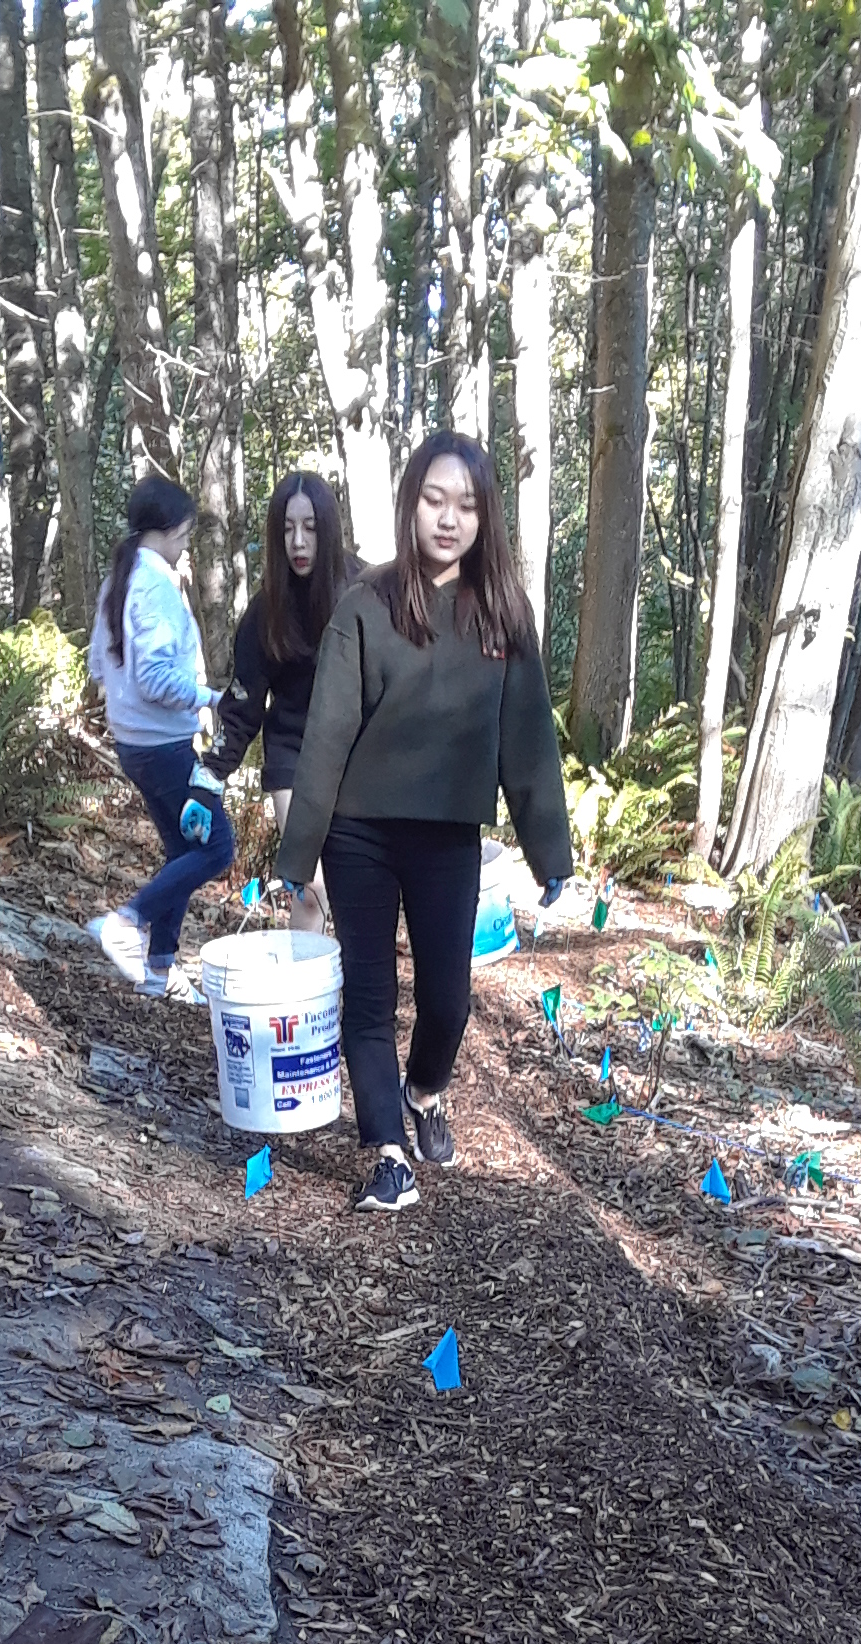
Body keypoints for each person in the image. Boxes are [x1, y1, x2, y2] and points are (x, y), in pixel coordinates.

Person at [273, 431, 571, 1212]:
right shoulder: (365, 605)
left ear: (484, 517)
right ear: (411, 505)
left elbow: (528, 742)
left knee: (448, 1002)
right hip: (359, 834)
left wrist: (550, 852)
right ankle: (387, 1155)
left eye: (465, 506)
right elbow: (326, 736)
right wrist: (297, 858)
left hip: (448, 837)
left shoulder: (503, 616)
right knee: (369, 1000)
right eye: (434, 500)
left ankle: (424, 1092)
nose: (448, 518)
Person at [86, 473, 233, 1002]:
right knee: (217, 847)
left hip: (134, 742)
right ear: (169, 530)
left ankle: (159, 971)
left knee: (181, 851)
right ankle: (126, 922)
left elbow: (98, 665)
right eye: (186, 535)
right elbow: (154, 679)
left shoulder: (121, 578)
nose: (186, 546)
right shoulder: (154, 587)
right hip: (162, 747)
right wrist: (210, 698)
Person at [213, 471, 359, 935]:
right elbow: (241, 706)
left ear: (327, 530)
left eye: (310, 528)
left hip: (359, 758)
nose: (298, 541)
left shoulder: (366, 591)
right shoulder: (265, 612)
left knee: (357, 891)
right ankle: (304, 980)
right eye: (288, 529)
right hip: (293, 757)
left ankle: (351, 981)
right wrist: (208, 774)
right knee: (310, 888)